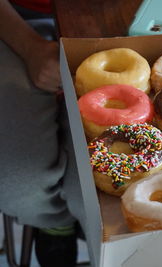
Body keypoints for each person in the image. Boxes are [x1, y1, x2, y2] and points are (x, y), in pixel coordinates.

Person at [0, 0, 87, 266]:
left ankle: (87, 224)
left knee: (90, 188)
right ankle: (55, 223)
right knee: (19, 181)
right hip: (16, 22)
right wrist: (30, 49)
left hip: (115, 23)